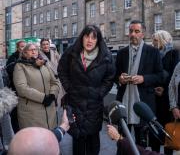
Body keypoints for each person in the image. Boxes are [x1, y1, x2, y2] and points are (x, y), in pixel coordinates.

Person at [58, 25, 115, 155]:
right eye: (87, 36)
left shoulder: (105, 55)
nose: (89, 41)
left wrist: (100, 92)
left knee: (93, 141)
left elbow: (110, 78)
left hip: (94, 104)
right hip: (75, 102)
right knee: (77, 140)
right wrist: (69, 88)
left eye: (93, 38)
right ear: (82, 38)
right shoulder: (72, 52)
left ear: (98, 40)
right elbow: (62, 70)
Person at [115, 20, 164, 149]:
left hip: (143, 104)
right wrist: (120, 79)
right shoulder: (121, 53)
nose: (133, 34)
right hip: (124, 104)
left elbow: (160, 76)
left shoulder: (153, 52)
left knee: (140, 144)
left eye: (137, 31)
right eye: (131, 31)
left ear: (143, 34)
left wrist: (144, 78)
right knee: (122, 142)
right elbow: (114, 76)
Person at [13, 43, 60, 129]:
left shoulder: (44, 64)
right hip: (32, 113)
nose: (34, 51)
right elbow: (22, 88)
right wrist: (43, 98)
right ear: (25, 53)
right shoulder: (20, 66)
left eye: (35, 49)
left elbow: (55, 82)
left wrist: (52, 95)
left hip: (49, 111)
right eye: (31, 50)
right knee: (35, 140)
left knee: (49, 138)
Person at [152, 30, 179, 153]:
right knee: (155, 133)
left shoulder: (174, 54)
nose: (153, 43)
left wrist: (164, 88)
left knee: (168, 132)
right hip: (154, 99)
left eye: (155, 40)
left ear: (162, 40)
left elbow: (174, 78)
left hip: (168, 101)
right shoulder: (153, 54)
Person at [6, 40, 26, 133]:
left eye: (24, 46)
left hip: (25, 90)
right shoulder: (13, 57)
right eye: (21, 46)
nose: (23, 48)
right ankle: (16, 133)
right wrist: (18, 62)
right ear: (18, 47)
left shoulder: (27, 57)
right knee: (15, 114)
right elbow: (9, 69)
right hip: (14, 90)